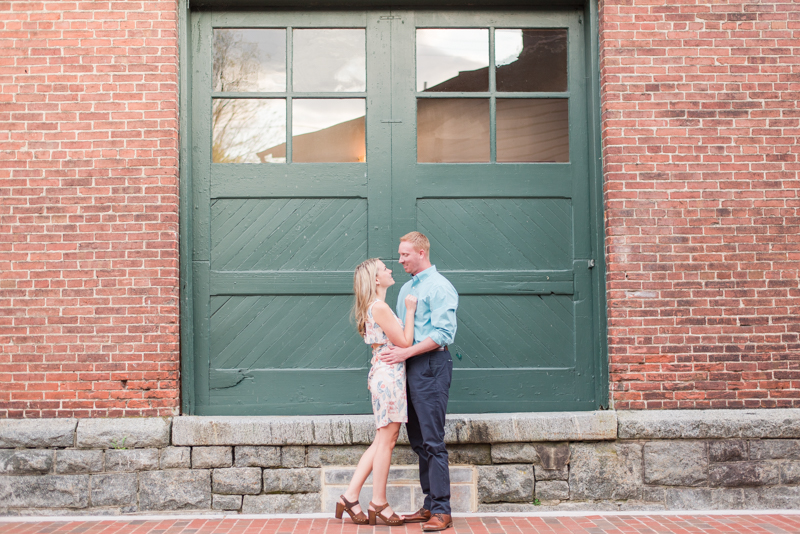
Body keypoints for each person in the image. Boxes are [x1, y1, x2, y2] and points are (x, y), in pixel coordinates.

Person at [381, 231, 458, 532]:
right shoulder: (405, 290)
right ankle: (429, 506)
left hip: (431, 365)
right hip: (408, 366)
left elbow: (444, 334)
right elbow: (403, 330)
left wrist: (407, 353)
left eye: (405, 255)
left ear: (421, 253)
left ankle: (442, 510)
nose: (400, 260)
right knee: (417, 442)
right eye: (400, 255)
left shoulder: (440, 287)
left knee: (433, 440)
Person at [335, 258, 417, 527]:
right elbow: (404, 342)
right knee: (388, 440)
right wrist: (410, 311)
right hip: (389, 378)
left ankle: (350, 496)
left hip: (385, 375)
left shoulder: (374, 306)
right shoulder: (380, 307)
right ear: (376, 280)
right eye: (384, 268)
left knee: (382, 439)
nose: (390, 270)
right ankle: (379, 502)